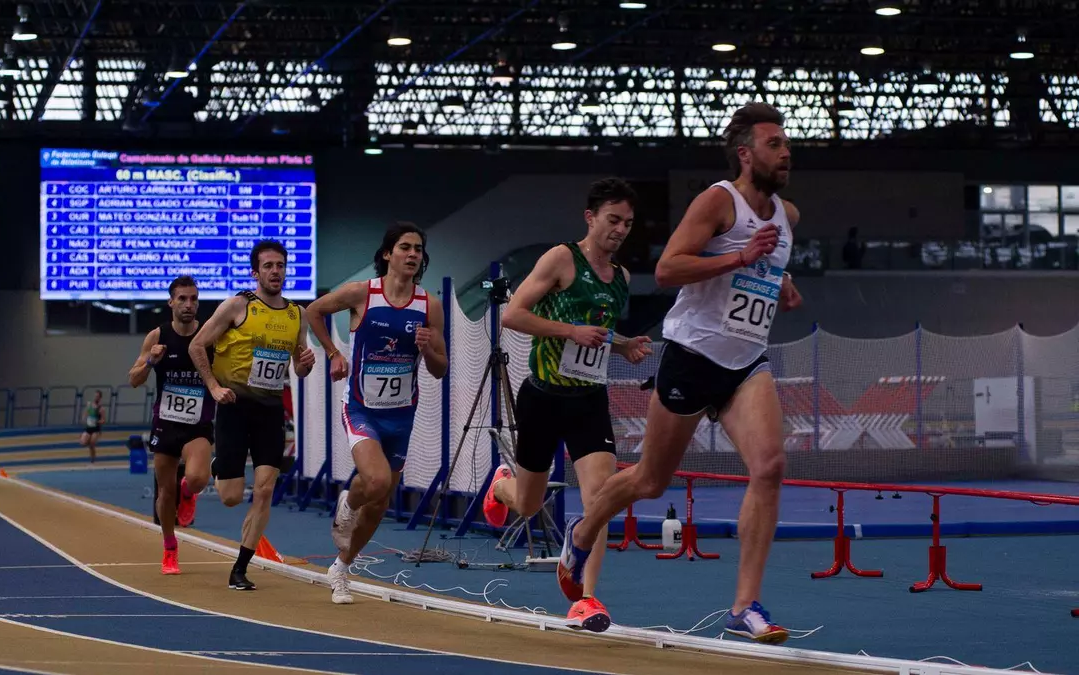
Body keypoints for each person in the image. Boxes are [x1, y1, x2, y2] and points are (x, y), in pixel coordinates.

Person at [557, 102, 804, 644]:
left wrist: (781, 283)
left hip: (746, 360)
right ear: (746, 154)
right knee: (650, 481)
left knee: (770, 466)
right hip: (692, 356)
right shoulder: (719, 200)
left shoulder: (788, 215)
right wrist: (739, 259)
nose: (786, 152)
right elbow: (668, 269)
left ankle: (745, 606)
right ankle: (583, 528)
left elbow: (767, 264)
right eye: (774, 144)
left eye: (786, 142)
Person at [480, 178, 652, 632]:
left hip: (588, 399)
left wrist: (624, 345)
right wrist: (569, 332)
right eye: (613, 219)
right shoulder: (561, 258)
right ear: (590, 217)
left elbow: (597, 331)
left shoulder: (622, 279)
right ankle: (502, 487)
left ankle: (587, 599)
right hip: (543, 396)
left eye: (628, 223)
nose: (620, 230)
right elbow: (513, 315)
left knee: (601, 497)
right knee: (528, 504)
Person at [306, 222, 448, 605]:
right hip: (361, 409)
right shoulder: (362, 294)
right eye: (405, 247)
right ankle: (348, 503)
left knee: (381, 501)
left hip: (401, 416)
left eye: (418, 249)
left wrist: (428, 348)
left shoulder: (429, 306)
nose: (413, 254)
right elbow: (313, 311)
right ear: (388, 254)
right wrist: (334, 354)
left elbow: (441, 369)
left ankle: (341, 567)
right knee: (377, 479)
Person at [189, 240, 316, 591]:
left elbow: (299, 367)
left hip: (270, 411)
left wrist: (305, 364)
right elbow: (197, 345)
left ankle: (240, 568)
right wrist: (213, 387)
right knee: (231, 497)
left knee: (265, 489)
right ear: (255, 272)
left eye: (280, 265)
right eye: (268, 266)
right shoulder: (237, 306)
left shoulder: (297, 315)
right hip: (234, 407)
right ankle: (219, 465)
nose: (275, 271)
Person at [128, 275, 215, 575]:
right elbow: (134, 379)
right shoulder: (157, 336)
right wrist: (151, 362)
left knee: (198, 478)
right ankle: (169, 547)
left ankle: (188, 492)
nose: (189, 304)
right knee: (164, 494)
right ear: (171, 302)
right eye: (182, 299)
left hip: (197, 423)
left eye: (194, 299)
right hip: (166, 423)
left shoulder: (209, 334)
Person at [79, 390, 105, 462]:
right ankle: (85, 438)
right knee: (82, 443)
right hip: (88, 428)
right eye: (95, 396)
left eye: (97, 396)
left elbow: (103, 420)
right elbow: (85, 413)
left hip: (96, 429)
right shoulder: (89, 405)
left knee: (92, 444)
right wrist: (84, 418)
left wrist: (97, 421)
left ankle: (92, 460)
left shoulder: (101, 409)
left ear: (100, 398)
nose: (96, 398)